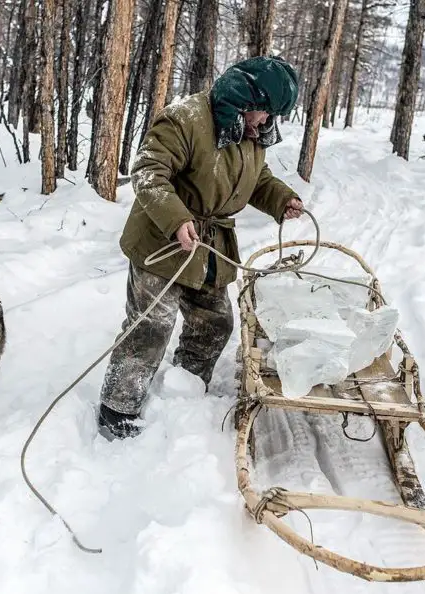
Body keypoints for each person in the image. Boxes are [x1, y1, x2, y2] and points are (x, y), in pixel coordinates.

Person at [97, 55, 305, 440]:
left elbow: (257, 178)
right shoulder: (184, 119)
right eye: (263, 112)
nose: (264, 123)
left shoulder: (248, 134)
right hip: (162, 239)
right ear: (243, 98)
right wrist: (177, 219)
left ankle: (185, 387)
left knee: (216, 322)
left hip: (209, 246)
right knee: (151, 326)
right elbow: (148, 172)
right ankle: (117, 409)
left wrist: (281, 199)